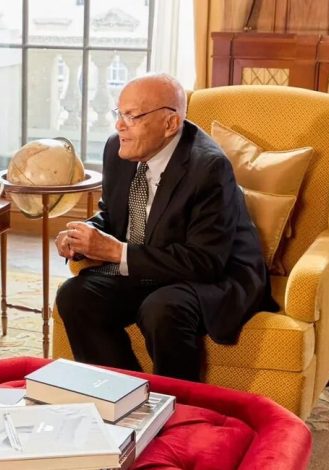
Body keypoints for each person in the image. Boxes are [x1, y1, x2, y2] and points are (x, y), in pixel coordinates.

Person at [54, 73, 277, 382]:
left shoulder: (208, 167)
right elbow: (114, 216)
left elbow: (205, 262)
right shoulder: (119, 149)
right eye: (119, 114)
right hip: (150, 263)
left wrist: (116, 252)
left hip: (214, 274)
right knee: (75, 296)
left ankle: (178, 403)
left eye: (131, 116)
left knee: (161, 309)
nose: (119, 126)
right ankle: (121, 391)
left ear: (170, 123)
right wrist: (84, 235)